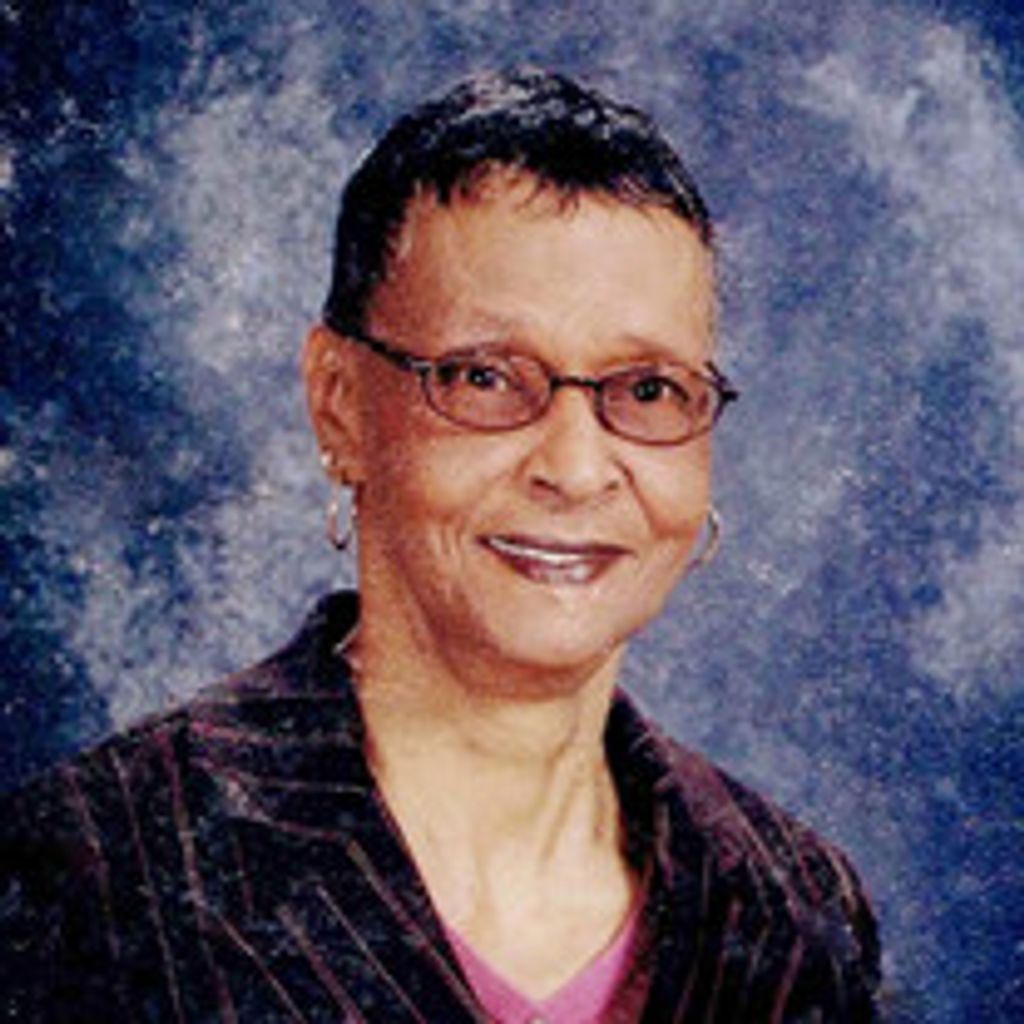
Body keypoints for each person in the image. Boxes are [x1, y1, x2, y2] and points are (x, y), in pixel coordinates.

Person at [1, 68, 880, 1022]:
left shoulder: (795, 912)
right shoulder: (94, 872)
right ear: (338, 402)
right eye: (484, 377)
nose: (576, 469)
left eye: (648, 390)